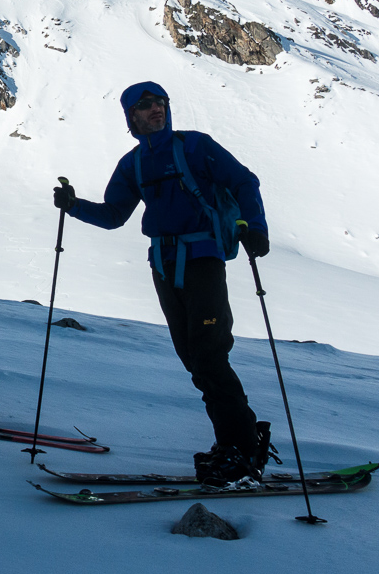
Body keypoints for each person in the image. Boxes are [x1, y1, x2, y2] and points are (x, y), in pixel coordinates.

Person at [52, 81, 275, 488]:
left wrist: (253, 227)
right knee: (194, 359)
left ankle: (240, 449)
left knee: (209, 355)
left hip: (203, 260)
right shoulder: (134, 163)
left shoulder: (195, 147)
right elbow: (114, 214)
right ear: (131, 116)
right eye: (146, 105)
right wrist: (74, 206)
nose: (157, 109)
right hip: (163, 265)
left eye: (161, 103)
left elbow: (245, 182)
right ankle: (241, 442)